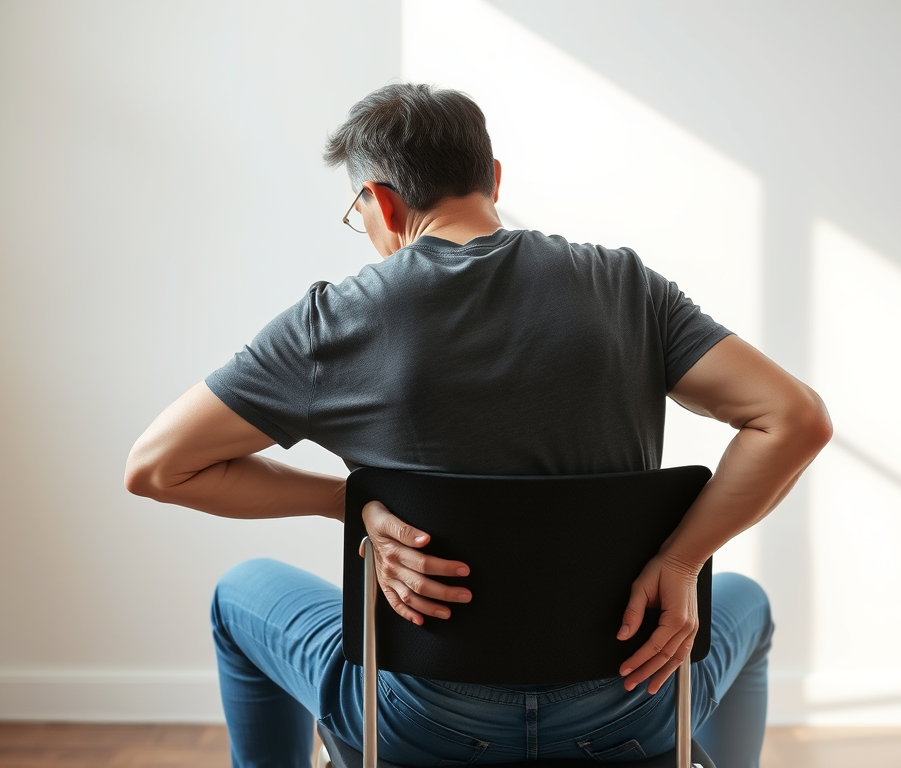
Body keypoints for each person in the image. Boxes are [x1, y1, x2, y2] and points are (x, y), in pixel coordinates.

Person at [125, 83, 831, 768]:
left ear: (380, 201)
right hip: (631, 703)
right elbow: (794, 418)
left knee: (239, 591)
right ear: (491, 178)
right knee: (747, 601)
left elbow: (156, 466)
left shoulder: (334, 322)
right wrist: (681, 561)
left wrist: (347, 502)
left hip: (419, 720)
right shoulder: (624, 286)